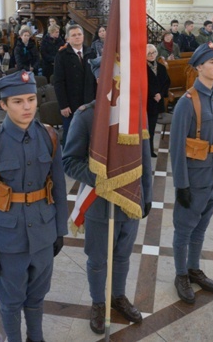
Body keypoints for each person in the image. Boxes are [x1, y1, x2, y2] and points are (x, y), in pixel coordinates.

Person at [0, 71, 68, 342]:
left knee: (37, 296)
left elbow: (58, 187)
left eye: (31, 99)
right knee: (11, 301)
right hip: (7, 238)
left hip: (44, 234)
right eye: (17, 102)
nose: (27, 107)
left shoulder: (49, 137)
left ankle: (35, 338)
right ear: (3, 105)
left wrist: (60, 230)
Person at [62, 57, 152, 334]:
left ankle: (118, 296)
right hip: (101, 203)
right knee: (99, 258)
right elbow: (69, 161)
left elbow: (145, 158)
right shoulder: (87, 115)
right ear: (99, 80)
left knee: (123, 255)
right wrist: (102, 178)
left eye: (120, 76)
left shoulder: (135, 112)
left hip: (130, 200)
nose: (116, 82)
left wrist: (145, 194)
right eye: (110, 77)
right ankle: (99, 303)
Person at [170, 42, 213, 304]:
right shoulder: (187, 102)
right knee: (184, 229)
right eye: (212, 62)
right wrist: (181, 184)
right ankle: (181, 274)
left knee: (201, 228)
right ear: (198, 68)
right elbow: (176, 147)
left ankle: (194, 268)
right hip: (195, 179)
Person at [53, 24, 96, 144]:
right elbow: (58, 82)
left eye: (79, 34)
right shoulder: (62, 55)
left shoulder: (91, 53)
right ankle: (68, 161)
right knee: (71, 135)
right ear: (67, 38)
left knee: (89, 135)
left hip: (89, 101)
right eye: (74, 35)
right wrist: (63, 105)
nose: (77, 37)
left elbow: (95, 79)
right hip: (70, 104)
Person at [146, 44, 171, 157]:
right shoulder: (141, 67)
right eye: (149, 53)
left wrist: (160, 94)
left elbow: (166, 83)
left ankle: (150, 150)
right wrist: (153, 94)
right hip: (146, 101)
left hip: (157, 102)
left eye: (154, 52)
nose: (152, 55)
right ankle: (142, 150)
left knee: (151, 128)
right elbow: (142, 84)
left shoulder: (161, 67)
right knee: (143, 129)